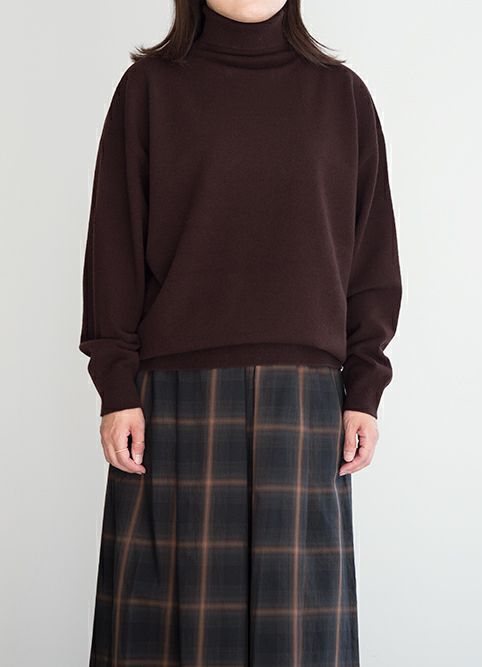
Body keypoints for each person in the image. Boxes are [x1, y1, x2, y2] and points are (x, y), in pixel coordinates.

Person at [79, 0, 402, 664]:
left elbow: (371, 258)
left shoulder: (342, 97)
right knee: (171, 641)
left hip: (306, 409)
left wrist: (365, 389)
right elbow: (113, 248)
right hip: (173, 404)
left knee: (298, 642)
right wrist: (116, 387)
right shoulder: (149, 90)